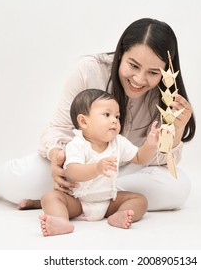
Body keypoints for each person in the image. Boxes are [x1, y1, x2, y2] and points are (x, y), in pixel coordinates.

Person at [0, 17, 196, 211]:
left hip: (127, 171)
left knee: (177, 189)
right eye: (133, 65)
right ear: (121, 53)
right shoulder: (89, 70)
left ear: (166, 70)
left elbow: (153, 162)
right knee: (22, 179)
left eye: (153, 72)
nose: (140, 79)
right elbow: (56, 130)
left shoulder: (167, 98)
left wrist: (172, 140)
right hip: (79, 167)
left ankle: (70, 202)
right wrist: (57, 158)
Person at [39, 89, 159, 236]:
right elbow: (72, 171)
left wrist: (150, 145)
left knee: (140, 200)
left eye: (117, 116)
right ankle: (61, 221)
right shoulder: (77, 144)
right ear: (83, 121)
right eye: (107, 115)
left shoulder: (118, 142)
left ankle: (119, 215)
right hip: (78, 201)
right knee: (50, 197)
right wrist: (96, 168)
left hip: (108, 202)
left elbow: (140, 158)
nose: (114, 120)